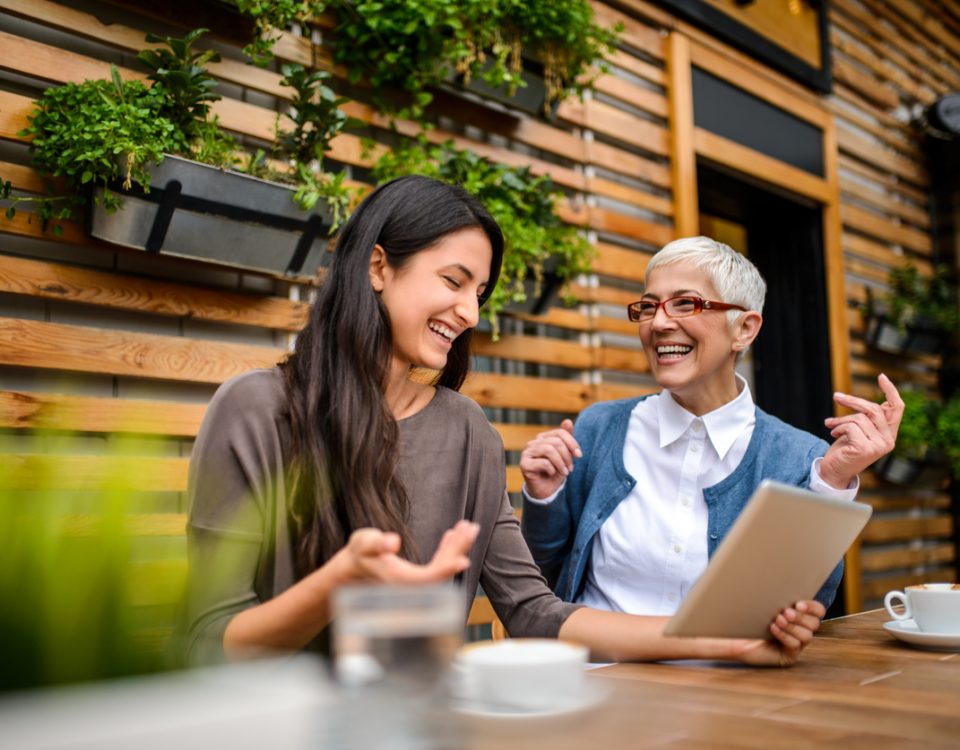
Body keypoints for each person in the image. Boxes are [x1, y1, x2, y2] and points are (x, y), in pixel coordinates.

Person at [180, 183, 826, 668]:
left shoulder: (467, 431)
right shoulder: (258, 409)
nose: (468, 312)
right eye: (454, 281)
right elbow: (210, 642)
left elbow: (535, 612)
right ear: (379, 268)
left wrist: (731, 642)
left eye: (479, 293)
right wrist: (338, 582)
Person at [520, 236, 903, 626]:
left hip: (724, 681)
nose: (660, 323)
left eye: (686, 303)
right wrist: (544, 497)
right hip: (599, 674)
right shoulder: (599, 427)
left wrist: (832, 482)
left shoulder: (800, 457)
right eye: (649, 306)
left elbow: (801, 607)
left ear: (745, 329)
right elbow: (542, 579)